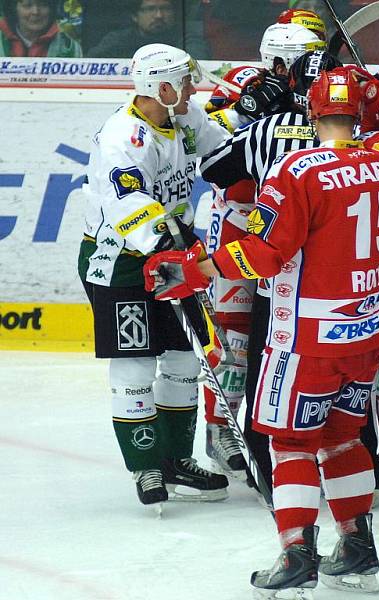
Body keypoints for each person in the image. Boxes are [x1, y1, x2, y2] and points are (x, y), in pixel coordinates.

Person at [143, 67, 379, 596]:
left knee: (289, 442)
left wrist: (193, 269)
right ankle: (358, 547)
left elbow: (266, 253)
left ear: (311, 114)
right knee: (340, 436)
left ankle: (296, 555)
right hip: (369, 330)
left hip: (308, 336)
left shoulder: (297, 168)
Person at [77, 43, 232, 511]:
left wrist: (251, 112)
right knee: (136, 362)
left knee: (185, 358)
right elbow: (128, 203)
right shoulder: (121, 137)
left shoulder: (183, 119)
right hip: (121, 261)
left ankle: (175, 460)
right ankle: (145, 465)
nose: (192, 90)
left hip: (172, 254)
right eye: (184, 83)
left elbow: (223, 150)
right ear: (160, 87)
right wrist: (168, 248)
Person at [199, 47, 341, 483]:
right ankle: (222, 429)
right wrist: (241, 109)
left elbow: (215, 167)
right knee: (237, 341)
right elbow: (211, 151)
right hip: (258, 243)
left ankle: (285, 452)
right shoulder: (257, 92)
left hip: (286, 255)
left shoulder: (284, 122)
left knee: (281, 358)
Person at [87, 0, 210, 59]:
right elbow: (91, 62)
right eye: (150, 9)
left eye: (165, 9)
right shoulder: (118, 40)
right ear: (135, 16)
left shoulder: (187, 37)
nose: (159, 15)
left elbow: (197, 63)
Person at [0, 0, 81, 57]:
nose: (35, 12)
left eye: (43, 4)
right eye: (28, 5)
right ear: (14, 9)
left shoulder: (69, 46)